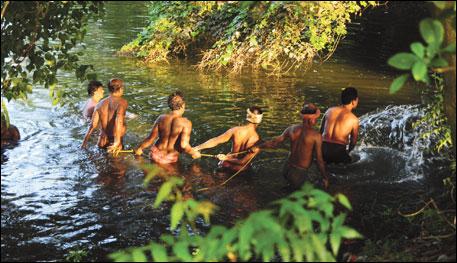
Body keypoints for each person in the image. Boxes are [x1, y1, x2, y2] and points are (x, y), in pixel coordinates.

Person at [252, 103, 328, 189]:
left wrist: (258, 146)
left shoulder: (291, 129)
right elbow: (319, 160)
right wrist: (325, 177)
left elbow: (274, 142)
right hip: (299, 172)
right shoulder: (316, 136)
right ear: (313, 118)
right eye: (316, 118)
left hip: (287, 167)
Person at [134, 91, 200, 163]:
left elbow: (150, 139)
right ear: (183, 105)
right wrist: (193, 153)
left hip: (155, 153)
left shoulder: (161, 118)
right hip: (170, 158)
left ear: (170, 105)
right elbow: (184, 145)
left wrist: (139, 148)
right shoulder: (186, 123)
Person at [193, 106, 263, 172]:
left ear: (247, 116)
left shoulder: (236, 130)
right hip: (240, 169)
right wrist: (226, 158)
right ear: (259, 120)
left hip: (225, 164)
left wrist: (197, 148)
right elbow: (242, 162)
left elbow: (216, 140)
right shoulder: (258, 140)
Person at [81, 78, 128, 153]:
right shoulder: (122, 102)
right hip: (114, 144)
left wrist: (84, 142)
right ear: (121, 88)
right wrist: (117, 142)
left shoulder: (100, 104)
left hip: (101, 142)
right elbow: (118, 121)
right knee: (118, 164)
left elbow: (93, 125)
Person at [320, 87, 359, 164]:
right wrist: (348, 153)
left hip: (323, 150)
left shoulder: (329, 111)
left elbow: (320, 132)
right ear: (353, 101)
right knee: (355, 160)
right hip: (338, 152)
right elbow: (353, 142)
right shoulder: (354, 119)